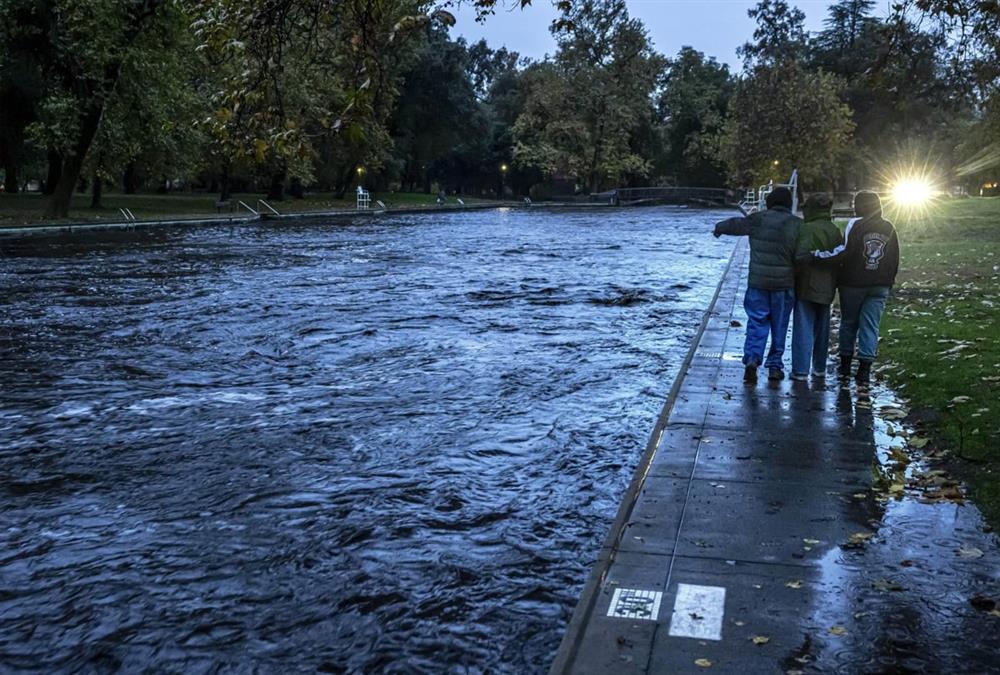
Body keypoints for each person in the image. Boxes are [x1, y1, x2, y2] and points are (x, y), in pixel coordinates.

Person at [713, 187, 802, 383]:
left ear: (769, 202)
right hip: (784, 284)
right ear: (788, 204)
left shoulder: (758, 219)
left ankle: (752, 359)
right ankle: (775, 366)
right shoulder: (797, 224)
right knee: (780, 326)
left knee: (756, 322)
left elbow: (736, 225)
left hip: (758, 283)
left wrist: (719, 228)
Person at [812, 191, 900, 384]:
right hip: (880, 285)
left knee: (849, 323)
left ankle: (844, 365)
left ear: (859, 205)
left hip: (853, 283)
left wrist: (818, 255)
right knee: (870, 325)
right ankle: (864, 369)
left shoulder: (856, 224)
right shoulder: (889, 227)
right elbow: (894, 257)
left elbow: (845, 251)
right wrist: (888, 280)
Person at [790, 193, 842, 381]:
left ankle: (801, 370)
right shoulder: (835, 230)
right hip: (828, 286)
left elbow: (801, 257)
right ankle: (819, 368)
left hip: (806, 285)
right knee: (823, 330)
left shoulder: (806, 229)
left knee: (803, 328)